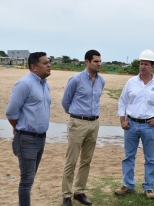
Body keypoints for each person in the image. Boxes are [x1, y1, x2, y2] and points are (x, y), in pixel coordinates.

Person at [115, 49, 154, 199]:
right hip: (131, 124)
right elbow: (122, 101)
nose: (143, 66)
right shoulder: (131, 82)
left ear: (153, 66)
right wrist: (122, 119)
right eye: (141, 63)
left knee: (150, 158)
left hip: (149, 125)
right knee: (128, 156)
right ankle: (128, 184)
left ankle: (149, 187)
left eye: (146, 64)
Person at [6, 52, 51, 206]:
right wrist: (17, 128)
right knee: (26, 180)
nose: (49, 65)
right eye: (44, 63)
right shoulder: (24, 84)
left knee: (30, 178)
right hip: (26, 138)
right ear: (33, 67)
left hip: (41, 138)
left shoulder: (45, 84)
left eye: (49, 62)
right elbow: (11, 112)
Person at [61, 50, 105, 206]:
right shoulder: (76, 80)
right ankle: (66, 195)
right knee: (71, 160)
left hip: (94, 123)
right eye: (95, 61)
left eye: (100, 61)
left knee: (86, 160)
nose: (99, 64)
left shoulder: (101, 81)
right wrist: (76, 116)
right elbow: (65, 102)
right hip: (77, 123)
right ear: (87, 62)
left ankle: (79, 192)